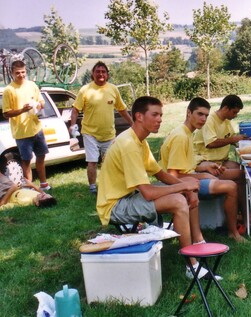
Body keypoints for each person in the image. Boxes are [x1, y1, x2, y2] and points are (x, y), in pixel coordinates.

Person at [96, 96, 212, 279]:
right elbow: (148, 193)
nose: (160, 119)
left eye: (161, 115)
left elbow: (159, 173)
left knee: (183, 194)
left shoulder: (140, 140)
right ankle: (192, 265)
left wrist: (187, 187)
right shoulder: (129, 145)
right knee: (178, 201)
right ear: (139, 116)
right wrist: (183, 188)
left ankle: (196, 242)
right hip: (115, 206)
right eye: (155, 114)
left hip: (129, 196)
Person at [160, 97, 246, 242]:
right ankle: (233, 232)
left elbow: (185, 166)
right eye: (200, 114)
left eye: (206, 115)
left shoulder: (187, 132)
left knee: (230, 177)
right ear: (188, 113)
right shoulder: (180, 136)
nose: (203, 119)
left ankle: (236, 222)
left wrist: (204, 168)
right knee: (231, 185)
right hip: (179, 183)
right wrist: (200, 177)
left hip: (190, 176)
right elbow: (173, 175)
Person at [70, 61, 133, 194]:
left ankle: (108, 185)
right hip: (90, 133)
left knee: (109, 162)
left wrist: (133, 123)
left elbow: (122, 109)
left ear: (107, 75)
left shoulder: (113, 89)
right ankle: (93, 187)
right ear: (93, 74)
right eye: (97, 72)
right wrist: (72, 125)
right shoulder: (85, 90)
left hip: (109, 134)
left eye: (103, 72)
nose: (100, 74)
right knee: (92, 161)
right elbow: (75, 109)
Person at [194, 95, 251, 226]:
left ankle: (244, 214)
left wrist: (246, 141)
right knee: (241, 175)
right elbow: (210, 143)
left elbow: (233, 137)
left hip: (222, 160)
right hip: (205, 162)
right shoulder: (210, 120)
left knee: (245, 169)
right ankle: (245, 217)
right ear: (226, 108)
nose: (235, 115)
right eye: (234, 112)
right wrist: (234, 140)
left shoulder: (226, 121)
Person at [2, 60, 51, 191]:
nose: (21, 75)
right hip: (21, 132)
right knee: (26, 161)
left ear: (26, 71)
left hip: (36, 128)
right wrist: (22, 110)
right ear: (12, 73)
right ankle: (29, 188)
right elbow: (6, 113)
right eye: (17, 73)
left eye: (23, 72)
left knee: (41, 156)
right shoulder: (9, 90)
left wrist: (40, 105)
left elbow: (41, 101)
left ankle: (44, 184)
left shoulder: (32, 85)